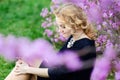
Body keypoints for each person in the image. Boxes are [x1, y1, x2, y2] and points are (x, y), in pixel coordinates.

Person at [5, 3, 97, 80]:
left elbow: (58, 73)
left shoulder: (85, 45)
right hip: (59, 76)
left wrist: (27, 69)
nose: (60, 30)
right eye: (59, 26)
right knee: (28, 60)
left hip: (60, 77)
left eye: (63, 26)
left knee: (26, 71)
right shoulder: (74, 37)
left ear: (76, 24)